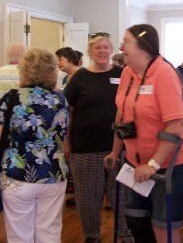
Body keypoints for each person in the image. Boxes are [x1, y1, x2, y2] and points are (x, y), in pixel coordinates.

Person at [106, 24, 183, 243]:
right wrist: (114, 151)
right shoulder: (127, 72)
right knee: (136, 219)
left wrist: (153, 164)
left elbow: (175, 124)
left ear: (143, 47)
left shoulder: (163, 73)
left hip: (172, 164)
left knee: (162, 226)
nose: (120, 46)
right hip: (136, 163)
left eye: (126, 41)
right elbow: (122, 113)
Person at [0, 48, 69, 242]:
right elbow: (64, 141)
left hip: (18, 176)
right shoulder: (60, 100)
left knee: (19, 235)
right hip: (54, 175)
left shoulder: (11, 99)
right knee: (49, 232)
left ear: (24, 70)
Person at [64, 33, 132, 243]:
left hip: (121, 149)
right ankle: (92, 236)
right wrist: (66, 142)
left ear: (112, 50)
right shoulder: (80, 77)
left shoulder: (124, 74)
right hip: (85, 150)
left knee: (122, 199)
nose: (102, 51)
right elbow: (68, 112)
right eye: (98, 48)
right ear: (90, 51)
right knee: (87, 200)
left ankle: (125, 236)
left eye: (106, 47)